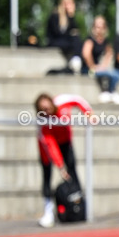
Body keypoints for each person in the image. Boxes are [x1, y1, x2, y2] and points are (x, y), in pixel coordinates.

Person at [34, 92, 92, 227]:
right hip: (47, 149)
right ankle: (48, 211)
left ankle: (79, 206)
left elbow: (78, 99)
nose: (46, 111)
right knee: (46, 176)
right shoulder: (43, 123)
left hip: (66, 142)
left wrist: (88, 113)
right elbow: (50, 145)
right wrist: (60, 166)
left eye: (47, 108)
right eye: (43, 110)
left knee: (73, 172)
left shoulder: (62, 101)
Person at [82, 15, 119, 104]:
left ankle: (110, 92)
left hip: (98, 68)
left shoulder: (105, 41)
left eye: (101, 27)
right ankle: (109, 92)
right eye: (97, 27)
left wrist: (104, 65)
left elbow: (110, 52)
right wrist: (92, 66)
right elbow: (86, 54)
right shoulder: (90, 40)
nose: (99, 29)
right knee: (111, 74)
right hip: (88, 69)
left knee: (118, 73)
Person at [45, 0, 84, 73]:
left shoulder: (69, 18)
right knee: (74, 39)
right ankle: (76, 60)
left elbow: (74, 30)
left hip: (65, 41)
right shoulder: (55, 16)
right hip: (55, 41)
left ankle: (76, 59)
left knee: (76, 38)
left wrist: (71, 16)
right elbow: (58, 33)